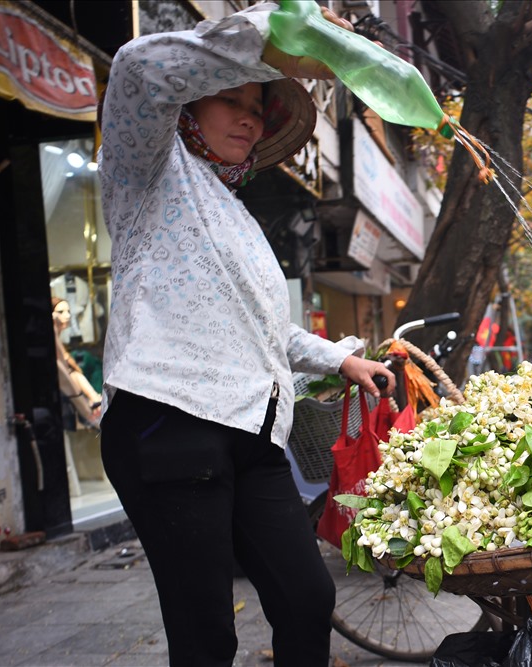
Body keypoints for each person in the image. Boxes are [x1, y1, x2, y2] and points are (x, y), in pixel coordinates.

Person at [96, 5, 395, 666]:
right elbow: (136, 69)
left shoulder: (232, 210)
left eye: (257, 107)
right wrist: (272, 30)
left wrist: (341, 361)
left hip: (253, 434)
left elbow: (266, 327)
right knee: (207, 635)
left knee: (307, 596)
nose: (248, 117)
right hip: (169, 424)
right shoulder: (146, 171)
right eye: (228, 99)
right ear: (186, 110)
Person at [52, 297, 101, 428]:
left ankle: (94, 401)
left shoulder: (57, 334)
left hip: (69, 386)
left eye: (68, 311)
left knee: (75, 375)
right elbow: (61, 366)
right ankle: (93, 405)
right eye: (60, 312)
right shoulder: (53, 333)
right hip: (65, 388)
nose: (67, 315)